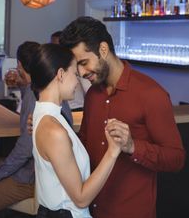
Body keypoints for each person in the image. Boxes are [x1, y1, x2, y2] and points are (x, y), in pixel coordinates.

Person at [59, 16, 186, 218]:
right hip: (91, 209)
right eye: (77, 67)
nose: (81, 73)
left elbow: (176, 159)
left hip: (131, 211)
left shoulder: (151, 94)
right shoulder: (93, 95)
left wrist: (133, 147)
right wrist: (54, 130)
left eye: (84, 63)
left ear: (103, 49)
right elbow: (84, 144)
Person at [0, 41, 72, 217]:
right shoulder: (41, 89)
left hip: (30, 179)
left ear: (23, 66)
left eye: (18, 65)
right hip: (36, 173)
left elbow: (25, 148)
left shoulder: (35, 96)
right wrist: (22, 85)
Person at [30, 43, 122, 218]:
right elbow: (80, 199)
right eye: (74, 73)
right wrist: (113, 151)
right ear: (61, 74)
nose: (77, 81)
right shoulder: (53, 130)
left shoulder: (44, 115)